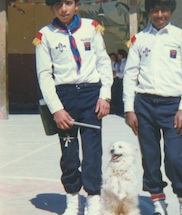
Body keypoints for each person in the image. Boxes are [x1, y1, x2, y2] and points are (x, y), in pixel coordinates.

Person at [33, 0, 113, 214]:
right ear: (52, 8)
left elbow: (103, 63)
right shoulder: (45, 35)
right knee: (69, 152)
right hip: (64, 97)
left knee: (92, 151)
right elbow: (44, 76)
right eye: (58, 4)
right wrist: (56, 109)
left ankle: (93, 199)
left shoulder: (91, 28)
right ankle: (72, 199)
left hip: (90, 94)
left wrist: (105, 96)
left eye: (68, 3)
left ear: (76, 5)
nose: (63, 9)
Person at [123, 0, 182, 214]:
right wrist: (129, 109)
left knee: (174, 158)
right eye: (155, 10)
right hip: (144, 105)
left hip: (173, 106)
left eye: (164, 10)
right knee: (150, 158)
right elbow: (129, 75)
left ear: (171, 11)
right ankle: (159, 203)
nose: (159, 14)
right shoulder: (139, 39)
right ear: (148, 12)